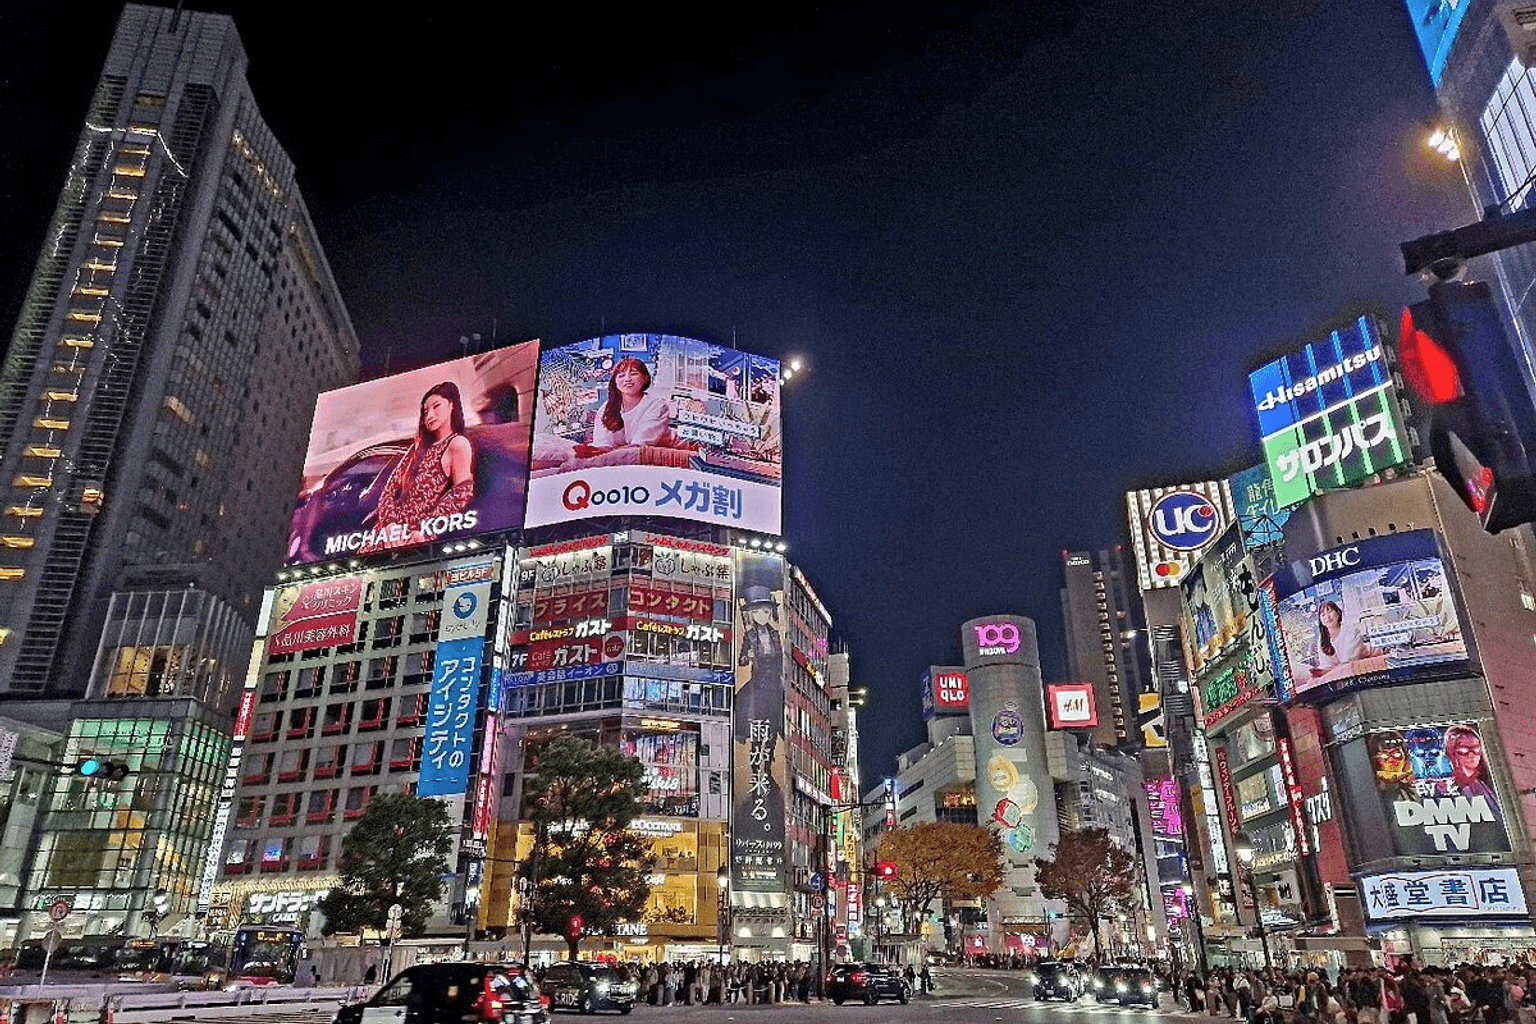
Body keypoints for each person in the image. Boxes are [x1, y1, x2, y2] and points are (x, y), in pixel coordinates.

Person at [362, 381, 474, 552]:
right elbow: (389, 489)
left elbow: (461, 494)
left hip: (414, 540)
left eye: (436, 406)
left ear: (452, 405)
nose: (430, 415)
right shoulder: (418, 449)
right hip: (386, 534)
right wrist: (390, 525)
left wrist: (426, 530)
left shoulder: (457, 444)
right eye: (425, 411)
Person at [575, 358, 674, 457]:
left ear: (645, 378)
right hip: (620, 460)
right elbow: (601, 444)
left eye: (634, 373)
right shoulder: (606, 409)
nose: (627, 379)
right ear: (615, 381)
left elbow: (640, 446)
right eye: (621, 375)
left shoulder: (657, 406)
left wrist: (606, 452)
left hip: (654, 460)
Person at [1311, 600, 1375, 676]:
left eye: (1330, 611)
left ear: (1338, 613)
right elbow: (1326, 666)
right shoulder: (1321, 641)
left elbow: (1350, 661)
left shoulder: (1351, 631)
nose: (1327, 616)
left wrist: (1331, 670)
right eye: (1323, 614)